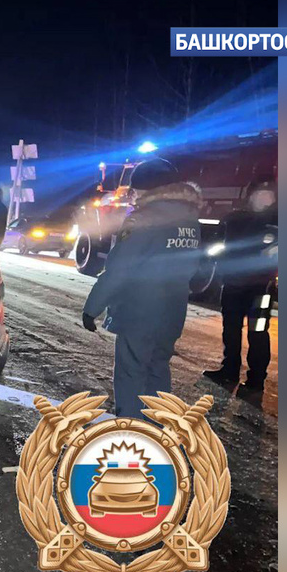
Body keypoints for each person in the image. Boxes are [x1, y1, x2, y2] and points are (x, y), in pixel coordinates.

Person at [81, 158, 203, 418]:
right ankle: (159, 428)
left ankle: (132, 431)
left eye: (135, 189)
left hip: (140, 311)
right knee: (158, 369)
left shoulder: (142, 219)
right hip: (173, 310)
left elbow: (120, 269)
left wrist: (92, 308)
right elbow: (193, 267)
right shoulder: (190, 219)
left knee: (131, 373)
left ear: (147, 190)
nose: (133, 195)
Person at [203, 178, 278, 402]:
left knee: (258, 333)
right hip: (233, 284)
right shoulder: (235, 219)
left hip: (260, 288)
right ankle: (229, 372)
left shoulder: (278, 221)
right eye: (261, 193)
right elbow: (219, 245)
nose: (265, 198)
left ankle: (256, 382)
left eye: (270, 195)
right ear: (251, 195)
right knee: (231, 329)